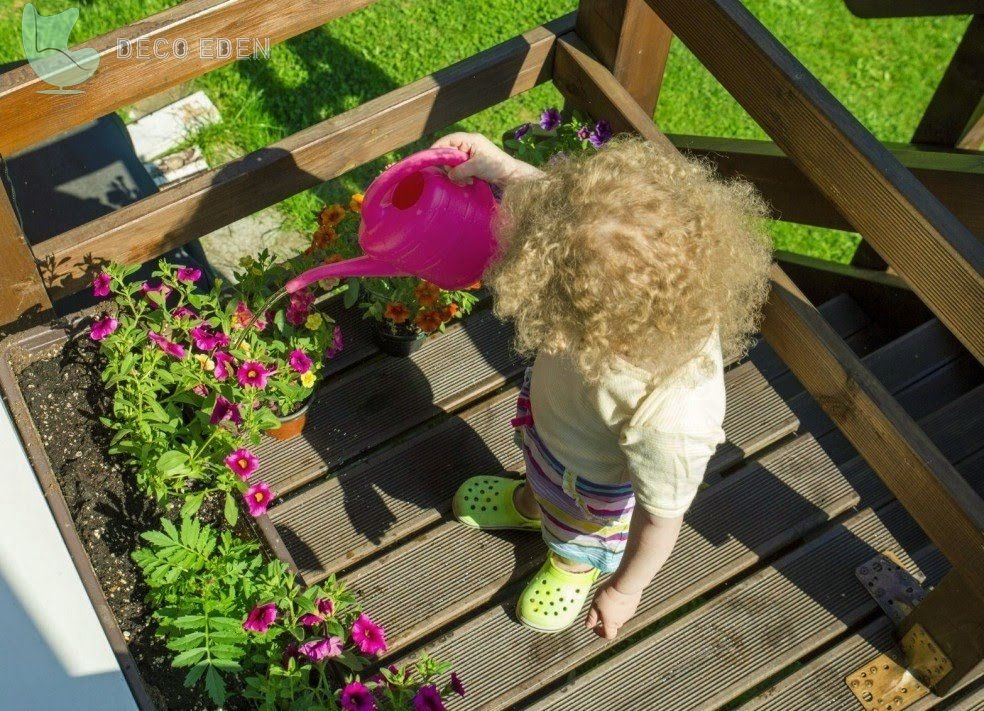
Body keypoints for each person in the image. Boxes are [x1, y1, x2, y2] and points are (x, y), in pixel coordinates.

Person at [436, 131, 772, 639]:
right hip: (558, 423)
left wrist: (625, 590)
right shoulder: (621, 254)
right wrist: (500, 168)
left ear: (598, 320)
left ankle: (574, 561)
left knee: (576, 524)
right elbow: (565, 209)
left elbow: (661, 520)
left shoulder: (674, 417)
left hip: (592, 488)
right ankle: (532, 505)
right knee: (539, 467)